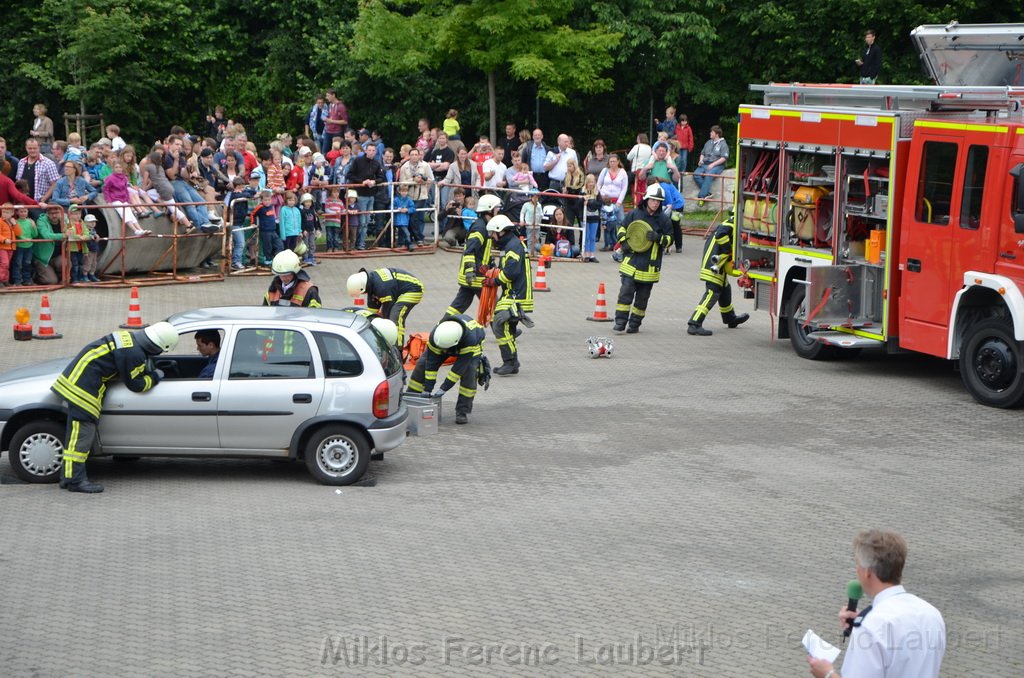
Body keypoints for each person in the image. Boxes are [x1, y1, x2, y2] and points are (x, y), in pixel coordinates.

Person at [50, 321, 178, 493]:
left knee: (75, 438)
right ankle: (75, 481)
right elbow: (137, 385)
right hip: (82, 389)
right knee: (82, 438)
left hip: (76, 380)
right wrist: (155, 376)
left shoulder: (129, 338)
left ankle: (68, 478)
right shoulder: (134, 354)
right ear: (158, 346)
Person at [807, 530, 946, 678]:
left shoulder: (871, 627)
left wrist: (827, 674)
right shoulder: (932, 613)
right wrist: (863, 619)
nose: (857, 570)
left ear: (868, 572)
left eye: (858, 565)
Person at [612, 183, 672, 334]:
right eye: (653, 200)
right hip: (631, 262)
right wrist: (624, 241)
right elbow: (622, 228)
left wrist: (659, 238)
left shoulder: (664, 220)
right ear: (646, 199)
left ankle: (634, 324)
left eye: (658, 201)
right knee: (625, 292)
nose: (655, 203)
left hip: (649, 267)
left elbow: (670, 240)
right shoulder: (634, 214)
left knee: (642, 299)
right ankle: (620, 322)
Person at [407, 315, 487, 425]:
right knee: (422, 364)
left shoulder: (470, 339)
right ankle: (411, 398)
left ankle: (462, 411)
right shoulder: (436, 337)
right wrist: (428, 388)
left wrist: (444, 388)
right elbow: (431, 365)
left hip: (472, 347)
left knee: (469, 373)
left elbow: (457, 370)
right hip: (446, 344)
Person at [486, 214, 534, 375]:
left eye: (493, 233)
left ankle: (510, 362)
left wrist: (494, 281)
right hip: (513, 292)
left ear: (501, 231)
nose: (492, 237)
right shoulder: (511, 244)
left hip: (516, 294)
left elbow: (511, 272)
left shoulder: (513, 246)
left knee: (498, 322)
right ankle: (511, 358)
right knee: (500, 323)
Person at [686, 217, 749, 335]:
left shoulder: (733, 221)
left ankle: (730, 318)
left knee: (725, 289)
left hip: (719, 264)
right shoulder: (733, 223)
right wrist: (728, 250)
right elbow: (721, 234)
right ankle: (694, 323)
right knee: (713, 292)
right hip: (714, 263)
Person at [347, 267, 424, 346]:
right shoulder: (371, 284)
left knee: (395, 316)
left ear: (363, 288)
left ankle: (397, 348)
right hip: (397, 290)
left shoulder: (381, 287)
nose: (363, 295)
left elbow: (388, 311)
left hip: (413, 289)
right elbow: (371, 314)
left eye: (362, 293)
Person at [596, 154, 628, 251]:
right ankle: (608, 243)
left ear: (618, 162)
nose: (613, 163)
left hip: (617, 201)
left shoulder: (622, 173)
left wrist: (619, 202)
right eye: (611, 162)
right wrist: (601, 195)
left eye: (614, 161)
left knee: (620, 221)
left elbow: (624, 188)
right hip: (605, 202)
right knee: (606, 223)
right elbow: (599, 184)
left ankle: (620, 243)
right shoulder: (605, 171)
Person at [692, 125, 729, 206]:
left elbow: (724, 158)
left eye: (712, 132)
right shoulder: (708, 142)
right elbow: (702, 153)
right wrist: (701, 160)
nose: (710, 133)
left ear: (717, 134)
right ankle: (707, 193)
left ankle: (701, 197)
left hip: (717, 165)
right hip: (705, 163)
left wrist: (713, 164)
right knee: (696, 174)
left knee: (708, 175)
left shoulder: (723, 144)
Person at [16, 139, 60, 204]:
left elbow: (54, 184)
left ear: (39, 148)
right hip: (22, 203)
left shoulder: (48, 163)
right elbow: (18, 181)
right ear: (26, 148)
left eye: (34, 148)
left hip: (38, 203)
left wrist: (44, 199)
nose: (32, 150)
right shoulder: (21, 162)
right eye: (30, 148)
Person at [33, 204, 65, 284]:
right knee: (51, 281)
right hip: (43, 258)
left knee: (65, 262)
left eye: (56, 212)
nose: (54, 215)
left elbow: (73, 232)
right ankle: (36, 274)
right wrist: (63, 235)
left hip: (57, 256)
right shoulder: (41, 221)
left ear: (60, 212)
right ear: (47, 213)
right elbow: (46, 235)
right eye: (51, 213)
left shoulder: (65, 219)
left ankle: (60, 277)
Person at [322, 88, 349, 154]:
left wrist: (332, 121)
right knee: (324, 151)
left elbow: (345, 121)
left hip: (337, 132)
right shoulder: (330, 105)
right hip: (328, 131)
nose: (327, 97)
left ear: (333, 95)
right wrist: (326, 120)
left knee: (336, 151)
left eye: (328, 96)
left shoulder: (341, 106)